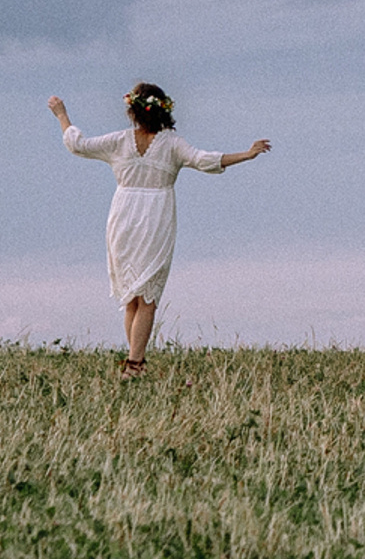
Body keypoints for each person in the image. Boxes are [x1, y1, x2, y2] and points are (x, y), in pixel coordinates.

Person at [47, 83, 269, 374]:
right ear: (164, 109)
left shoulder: (121, 141)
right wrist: (246, 154)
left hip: (123, 215)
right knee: (145, 297)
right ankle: (135, 364)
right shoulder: (172, 143)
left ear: (133, 110)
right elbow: (205, 160)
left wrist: (62, 114)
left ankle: (134, 361)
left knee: (134, 298)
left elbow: (77, 144)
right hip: (154, 216)